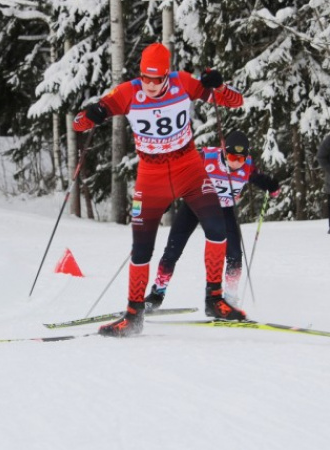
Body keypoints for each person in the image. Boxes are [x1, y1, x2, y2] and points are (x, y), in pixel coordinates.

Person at [72, 42, 245, 337]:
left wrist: (219, 85)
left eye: (157, 79)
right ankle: (133, 314)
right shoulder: (127, 92)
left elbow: (234, 101)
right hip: (151, 176)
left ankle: (214, 299)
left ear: (166, 75)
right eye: (146, 78)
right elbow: (79, 125)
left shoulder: (184, 83)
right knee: (142, 247)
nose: (150, 85)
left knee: (218, 228)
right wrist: (93, 113)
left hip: (188, 168)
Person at [144, 131, 280, 311]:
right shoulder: (206, 158)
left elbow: (258, 178)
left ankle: (229, 300)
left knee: (234, 255)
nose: (236, 163)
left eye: (241, 159)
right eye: (232, 157)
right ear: (224, 152)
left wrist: (271, 186)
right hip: (195, 206)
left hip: (224, 210)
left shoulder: (247, 166)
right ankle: (156, 295)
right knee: (172, 250)